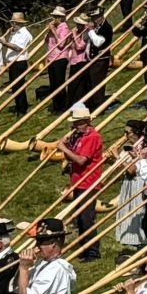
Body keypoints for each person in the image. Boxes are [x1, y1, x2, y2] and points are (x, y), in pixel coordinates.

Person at [57, 104, 105, 261]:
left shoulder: (92, 137)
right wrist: (67, 147)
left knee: (86, 218)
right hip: (79, 182)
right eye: (74, 122)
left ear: (86, 121)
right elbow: (72, 157)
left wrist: (63, 148)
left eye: (78, 122)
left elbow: (81, 160)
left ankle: (93, 252)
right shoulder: (80, 136)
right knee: (80, 218)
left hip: (89, 183)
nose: (75, 125)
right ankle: (84, 248)